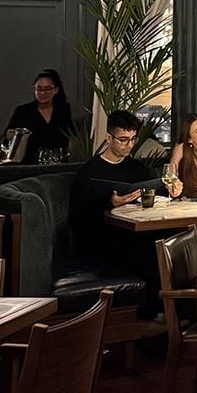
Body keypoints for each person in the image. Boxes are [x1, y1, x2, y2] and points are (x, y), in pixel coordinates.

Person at [71, 111, 165, 316]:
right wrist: (110, 203)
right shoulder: (90, 172)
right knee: (147, 252)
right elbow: (79, 216)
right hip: (105, 239)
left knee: (169, 242)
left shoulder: (138, 168)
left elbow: (155, 194)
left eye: (133, 139)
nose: (129, 145)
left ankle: (177, 312)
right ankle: (150, 315)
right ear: (108, 138)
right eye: (123, 140)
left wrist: (170, 190)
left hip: (137, 232)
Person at [3, 68, 74, 163]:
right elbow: (7, 136)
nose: (43, 93)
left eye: (47, 89)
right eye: (39, 89)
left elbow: (71, 135)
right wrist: (12, 135)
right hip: (29, 164)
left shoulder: (63, 110)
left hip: (57, 163)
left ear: (56, 90)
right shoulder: (23, 111)